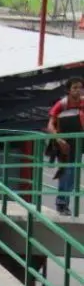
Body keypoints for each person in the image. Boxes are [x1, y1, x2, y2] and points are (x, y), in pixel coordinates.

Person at [46, 76, 84, 216]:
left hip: (78, 143)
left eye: (80, 87)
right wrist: (59, 139)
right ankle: (62, 204)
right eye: (75, 88)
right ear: (68, 90)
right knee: (66, 173)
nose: (78, 90)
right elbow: (50, 125)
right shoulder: (62, 104)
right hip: (63, 144)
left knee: (73, 175)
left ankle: (64, 203)